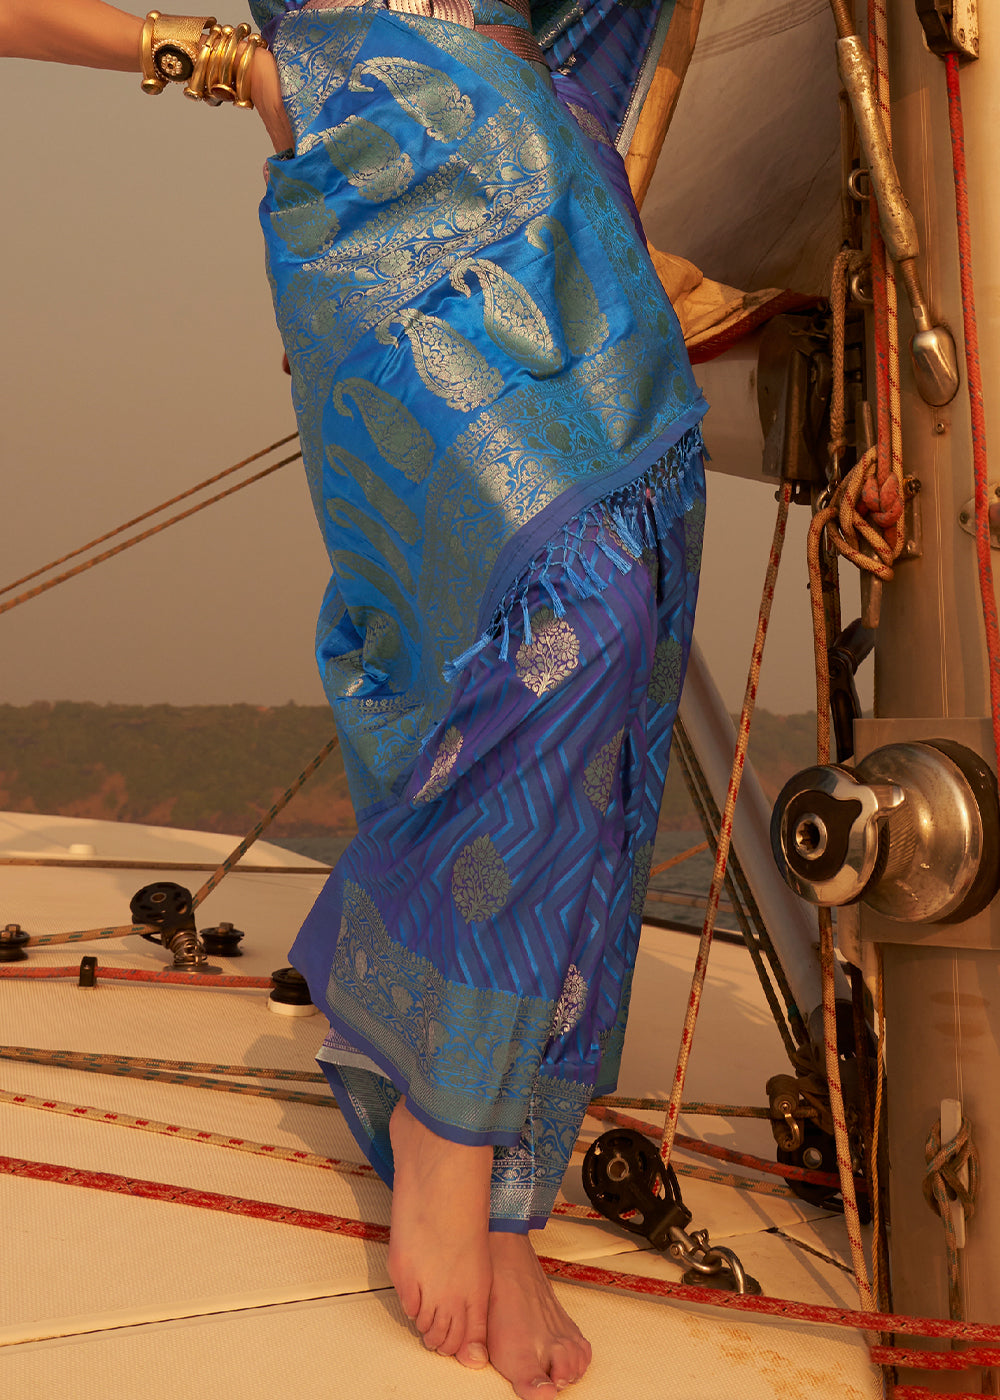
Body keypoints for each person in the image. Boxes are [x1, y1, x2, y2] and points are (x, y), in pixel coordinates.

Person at [1, 3, 706, 1395]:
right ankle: (445, 1132)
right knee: (567, 613)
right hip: (377, 158)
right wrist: (236, 65)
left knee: (621, 640)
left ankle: (502, 1169)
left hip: (571, 210)